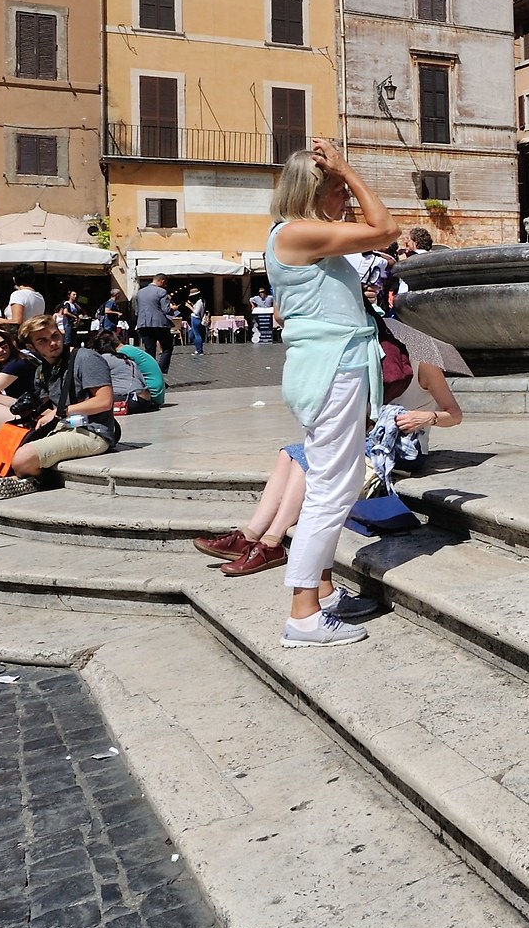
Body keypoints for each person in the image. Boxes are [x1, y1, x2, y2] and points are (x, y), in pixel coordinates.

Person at [267, 139, 398, 646]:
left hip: (329, 368)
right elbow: (386, 230)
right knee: (330, 490)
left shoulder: (296, 236)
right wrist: (348, 168)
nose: (345, 198)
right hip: (333, 371)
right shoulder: (298, 232)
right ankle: (302, 613)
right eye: (338, 190)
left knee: (332, 481)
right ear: (313, 190)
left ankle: (319, 590)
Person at [198, 358, 463, 575]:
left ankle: (272, 541)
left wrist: (428, 417)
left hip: (404, 449)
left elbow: (455, 414)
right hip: (366, 440)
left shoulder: (424, 365)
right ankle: (249, 534)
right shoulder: (372, 361)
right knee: (288, 454)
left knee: (308, 459)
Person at [0, 316, 118, 499]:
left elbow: (104, 401)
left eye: (55, 335)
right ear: (32, 347)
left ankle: (39, 480)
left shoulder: (86, 358)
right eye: (42, 340)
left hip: (92, 431)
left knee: (21, 458)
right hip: (59, 428)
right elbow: (44, 405)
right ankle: (19, 475)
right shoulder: (42, 369)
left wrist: (60, 412)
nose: (53, 343)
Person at [133, 274, 176, 374]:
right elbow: (166, 309)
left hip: (143, 324)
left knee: (149, 350)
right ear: (161, 281)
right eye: (165, 283)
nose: (165, 285)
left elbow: (136, 311)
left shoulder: (140, 292)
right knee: (167, 348)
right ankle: (160, 371)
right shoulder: (161, 291)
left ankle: (150, 374)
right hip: (159, 324)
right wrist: (173, 309)